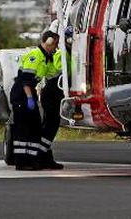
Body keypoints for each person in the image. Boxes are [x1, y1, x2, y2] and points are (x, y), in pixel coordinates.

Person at [9, 30, 59, 171]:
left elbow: (53, 73)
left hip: (29, 93)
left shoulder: (46, 57)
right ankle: (21, 162)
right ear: (48, 42)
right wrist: (30, 98)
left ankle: (32, 160)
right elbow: (25, 80)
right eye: (54, 44)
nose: (55, 48)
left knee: (34, 127)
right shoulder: (35, 55)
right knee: (23, 128)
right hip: (22, 94)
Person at [38, 25, 74, 170]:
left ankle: (45, 155)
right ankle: (41, 155)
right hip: (52, 93)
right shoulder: (62, 54)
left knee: (50, 125)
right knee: (50, 125)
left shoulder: (68, 52)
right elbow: (58, 73)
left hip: (54, 93)